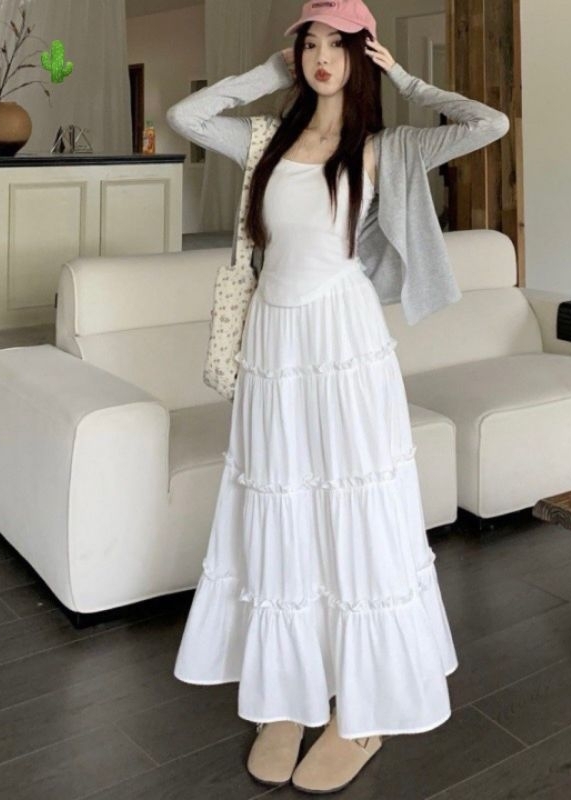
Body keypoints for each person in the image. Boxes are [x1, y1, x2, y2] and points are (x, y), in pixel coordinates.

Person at [166, 0, 509, 793]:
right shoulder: (265, 141)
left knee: (353, 507)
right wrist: (269, 70)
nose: (322, 58)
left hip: (346, 341)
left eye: (337, 45)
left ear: (364, 55)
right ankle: (286, 697)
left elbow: (487, 123)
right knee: (280, 504)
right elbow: (187, 116)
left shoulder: (385, 147)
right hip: (273, 342)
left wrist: (409, 79)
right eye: (310, 45)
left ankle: (363, 714)